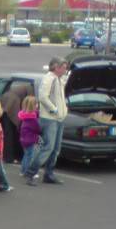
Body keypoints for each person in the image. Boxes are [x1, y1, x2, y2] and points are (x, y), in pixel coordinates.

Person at [26, 56, 68, 186]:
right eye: (63, 68)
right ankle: (31, 173)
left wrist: (63, 110)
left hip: (59, 118)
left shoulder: (59, 79)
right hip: (49, 119)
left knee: (56, 148)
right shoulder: (48, 78)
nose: (65, 71)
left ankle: (49, 174)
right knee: (48, 147)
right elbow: (43, 97)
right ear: (56, 67)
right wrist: (54, 109)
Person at [0, 83, 32, 163]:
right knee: (10, 134)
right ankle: (9, 157)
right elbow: (30, 101)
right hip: (12, 103)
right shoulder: (30, 87)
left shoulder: (24, 85)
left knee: (7, 133)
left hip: (5, 100)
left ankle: (7, 156)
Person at [18, 94, 41, 178]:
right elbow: (38, 129)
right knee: (30, 157)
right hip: (31, 140)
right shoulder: (33, 119)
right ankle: (27, 172)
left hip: (23, 139)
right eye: (36, 104)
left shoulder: (24, 116)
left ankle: (23, 171)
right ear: (34, 106)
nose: (38, 105)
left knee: (26, 155)